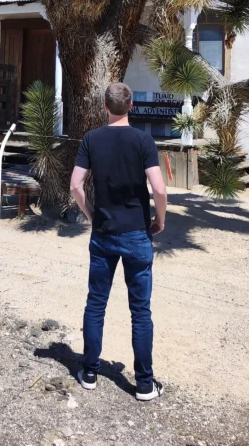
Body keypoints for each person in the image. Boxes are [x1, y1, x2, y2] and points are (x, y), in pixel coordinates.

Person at [69, 81, 168, 401]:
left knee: (96, 304)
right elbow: (159, 189)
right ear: (131, 107)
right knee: (140, 310)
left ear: (105, 107)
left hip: (104, 234)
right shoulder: (143, 140)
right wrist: (159, 221)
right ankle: (143, 383)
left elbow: (75, 186)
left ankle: (89, 372)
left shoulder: (91, 139)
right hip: (137, 234)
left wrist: (90, 216)